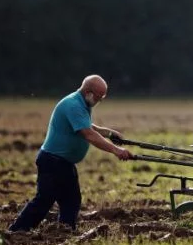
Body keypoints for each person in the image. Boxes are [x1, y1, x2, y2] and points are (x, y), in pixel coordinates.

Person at [8, 75, 133, 232]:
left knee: (71, 201)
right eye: (98, 97)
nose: (99, 101)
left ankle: (65, 231)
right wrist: (116, 150)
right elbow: (88, 134)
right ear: (88, 91)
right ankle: (15, 231)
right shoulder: (73, 104)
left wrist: (109, 133)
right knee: (44, 201)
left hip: (64, 163)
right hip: (52, 162)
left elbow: (88, 125)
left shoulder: (82, 103)